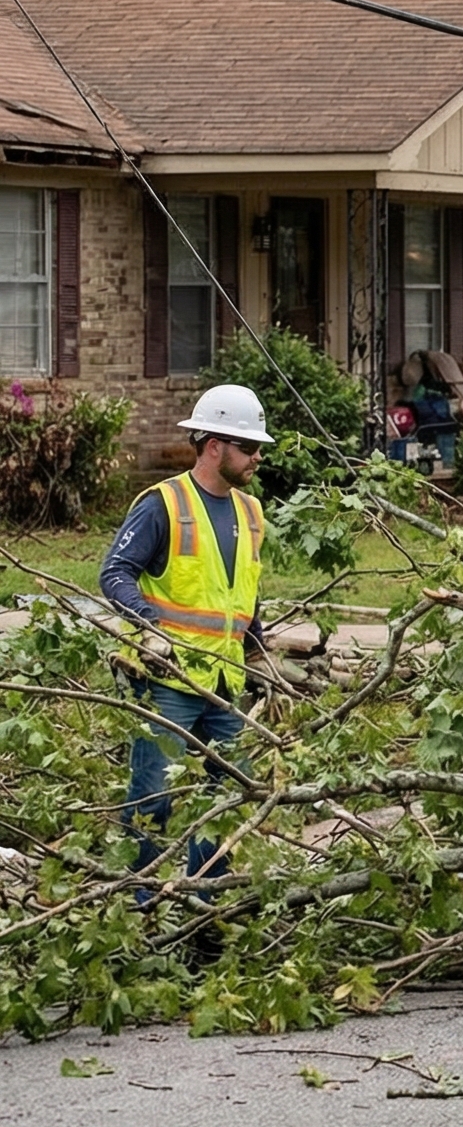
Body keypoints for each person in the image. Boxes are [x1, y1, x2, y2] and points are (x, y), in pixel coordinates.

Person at [100, 385, 276, 923]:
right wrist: (149, 627)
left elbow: (242, 589)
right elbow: (115, 573)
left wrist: (258, 652)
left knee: (228, 799)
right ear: (215, 446)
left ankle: (204, 908)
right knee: (154, 798)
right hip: (167, 682)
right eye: (249, 447)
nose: (258, 457)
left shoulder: (251, 512)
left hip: (224, 683)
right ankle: (144, 910)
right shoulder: (163, 505)